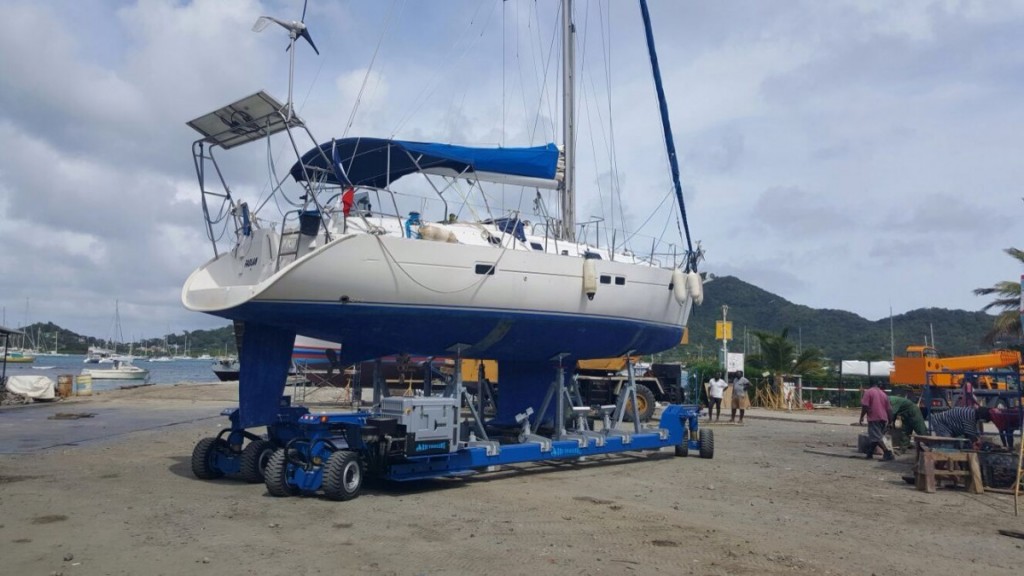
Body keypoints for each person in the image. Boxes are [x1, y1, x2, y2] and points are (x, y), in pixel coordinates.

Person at [859, 381, 894, 461]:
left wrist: (861, 417)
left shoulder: (868, 392)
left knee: (876, 437)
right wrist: (890, 421)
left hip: (874, 417)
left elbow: (865, 406)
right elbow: (889, 409)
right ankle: (870, 453)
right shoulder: (884, 394)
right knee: (876, 436)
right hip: (883, 418)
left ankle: (888, 453)